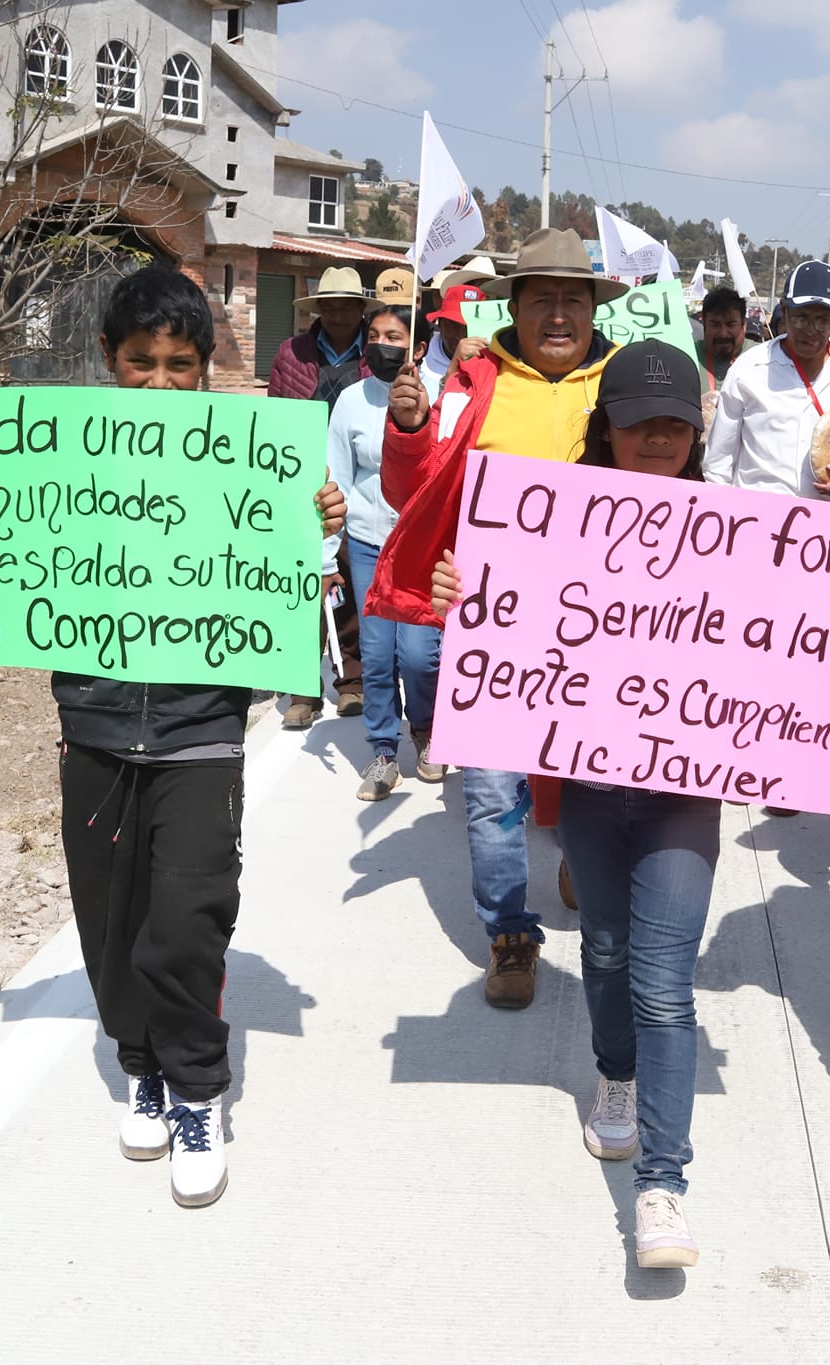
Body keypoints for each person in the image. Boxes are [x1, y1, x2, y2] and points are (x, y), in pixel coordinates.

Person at [428, 338, 830, 1270]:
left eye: (676, 422)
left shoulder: (738, 527)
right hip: (595, 794)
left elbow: (809, 636)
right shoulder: (549, 518)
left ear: (699, 429)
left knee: (661, 982)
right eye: (638, 419)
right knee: (602, 949)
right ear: (605, 425)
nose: (657, 436)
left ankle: (664, 1184)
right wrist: (464, 593)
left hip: (684, 799)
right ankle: (613, 1076)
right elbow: (506, 624)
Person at [0, 267, 345, 1208]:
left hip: (202, 726)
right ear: (108, 360)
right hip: (90, 720)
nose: (162, 383)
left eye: (181, 364)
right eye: (142, 363)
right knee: (110, 918)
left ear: (209, 368)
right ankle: (143, 1065)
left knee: (189, 915)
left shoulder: (248, 455)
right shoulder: (64, 449)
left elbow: (302, 573)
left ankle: (198, 1093)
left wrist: (318, 521)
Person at [365, 227, 625, 1010]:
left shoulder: (623, 382)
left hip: (600, 632)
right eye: (540, 298)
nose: (556, 315)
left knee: (598, 778)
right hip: (492, 626)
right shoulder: (471, 381)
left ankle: (582, 858)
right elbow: (412, 491)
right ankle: (511, 932)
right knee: (491, 792)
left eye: (570, 300)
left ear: (591, 309)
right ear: (516, 305)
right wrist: (408, 430)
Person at [325, 302, 447, 801]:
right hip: (369, 546)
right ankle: (382, 751)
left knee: (419, 655)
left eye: (394, 336)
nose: (382, 344)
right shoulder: (350, 402)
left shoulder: (437, 399)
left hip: (419, 548)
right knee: (376, 656)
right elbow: (335, 478)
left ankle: (426, 731)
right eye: (373, 335)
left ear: (416, 346)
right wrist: (328, 556)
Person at [267, 266, 373, 730]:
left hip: (356, 483)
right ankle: (302, 692)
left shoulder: (375, 353)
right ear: (318, 309)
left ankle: (351, 682)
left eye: (346, 304)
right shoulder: (292, 353)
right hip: (303, 483)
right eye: (328, 304)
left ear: (359, 309)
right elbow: (274, 414)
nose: (337, 312)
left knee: (347, 580)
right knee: (299, 588)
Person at [703, 260, 830, 503]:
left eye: (822, 320)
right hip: (756, 522)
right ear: (785, 311)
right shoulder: (749, 370)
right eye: (801, 317)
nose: (811, 330)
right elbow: (718, 462)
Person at [421, 282, 491, 391]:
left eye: (468, 327)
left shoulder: (494, 366)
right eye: (453, 325)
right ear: (439, 323)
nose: (461, 335)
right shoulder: (419, 365)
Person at [697, 284, 752, 389]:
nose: (723, 334)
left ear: (743, 325)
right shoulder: (688, 357)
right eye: (715, 324)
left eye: (731, 324)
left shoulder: (761, 358)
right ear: (704, 324)